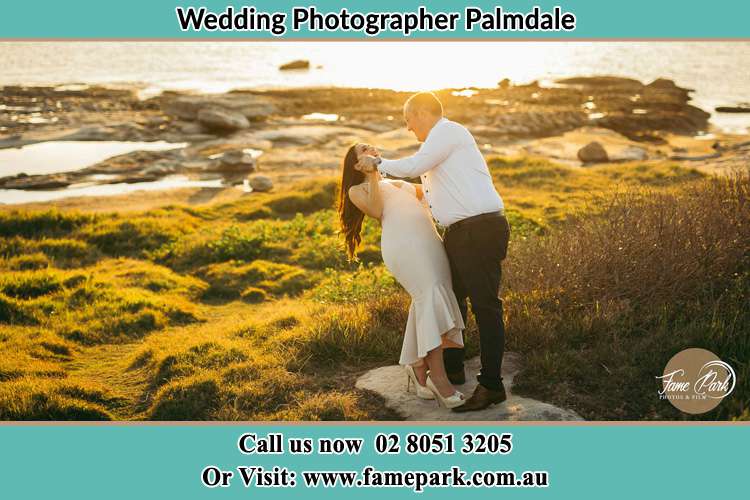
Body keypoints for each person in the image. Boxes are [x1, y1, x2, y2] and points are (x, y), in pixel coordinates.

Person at [356, 92, 510, 412]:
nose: (408, 127)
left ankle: (492, 385)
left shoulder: (449, 132)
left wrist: (379, 163)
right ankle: (452, 367)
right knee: (453, 298)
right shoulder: (436, 142)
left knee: (486, 306)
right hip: (460, 233)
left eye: (408, 120)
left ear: (421, 113)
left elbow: (415, 166)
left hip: (479, 229)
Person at [338, 142, 466, 409]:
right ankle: (439, 380)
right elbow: (375, 209)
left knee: (427, 300)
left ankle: (417, 365)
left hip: (430, 244)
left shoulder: (394, 182)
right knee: (428, 297)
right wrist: (373, 174)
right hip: (405, 247)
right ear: (355, 163)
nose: (371, 146)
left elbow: (432, 196)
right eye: (364, 148)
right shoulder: (357, 190)